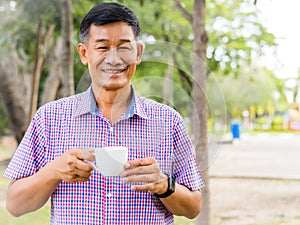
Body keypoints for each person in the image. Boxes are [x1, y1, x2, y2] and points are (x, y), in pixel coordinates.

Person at [4, 2, 204, 224]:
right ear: (83, 53)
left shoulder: (168, 121)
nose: (114, 59)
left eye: (123, 47)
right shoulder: (50, 118)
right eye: (102, 47)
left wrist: (163, 185)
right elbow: (15, 204)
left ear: (138, 53)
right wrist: (53, 171)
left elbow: (193, 207)